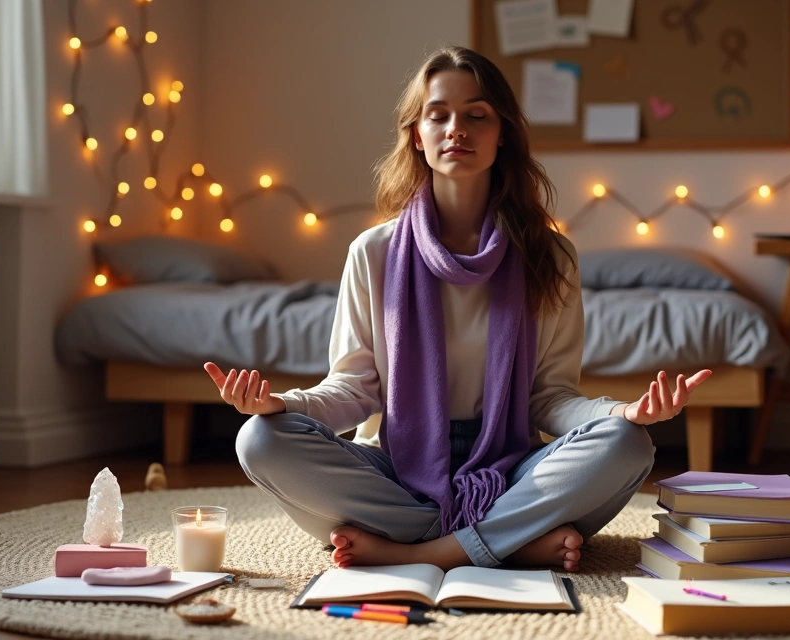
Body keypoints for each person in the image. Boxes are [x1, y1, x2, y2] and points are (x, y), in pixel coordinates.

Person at [205, 46, 710, 573]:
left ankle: (423, 550)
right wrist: (282, 405)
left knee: (627, 444)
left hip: (509, 469)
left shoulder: (551, 256)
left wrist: (620, 414)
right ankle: (508, 539)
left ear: (503, 133)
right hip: (395, 468)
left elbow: (550, 398)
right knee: (260, 439)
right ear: (416, 135)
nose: (457, 130)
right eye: (438, 115)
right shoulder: (373, 252)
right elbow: (354, 389)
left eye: (477, 115)